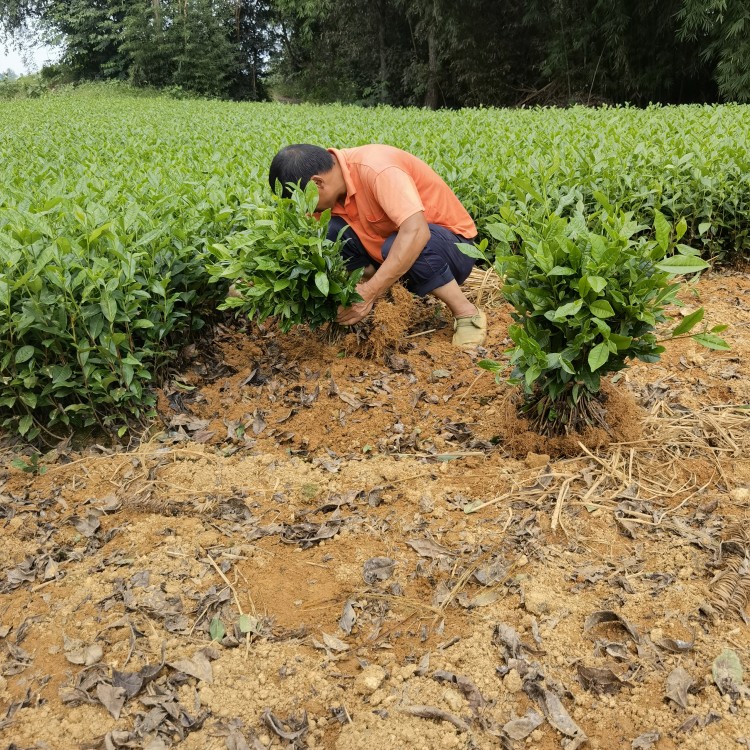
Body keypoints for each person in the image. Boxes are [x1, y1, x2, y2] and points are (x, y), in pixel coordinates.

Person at [268, 143, 487, 349]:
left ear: (317, 183)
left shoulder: (378, 168)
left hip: (452, 248)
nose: (306, 208)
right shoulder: (331, 193)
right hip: (390, 253)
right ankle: (380, 296)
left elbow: (417, 232)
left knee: (399, 243)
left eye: (304, 200)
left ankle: (466, 312)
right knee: (328, 232)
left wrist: (370, 291)